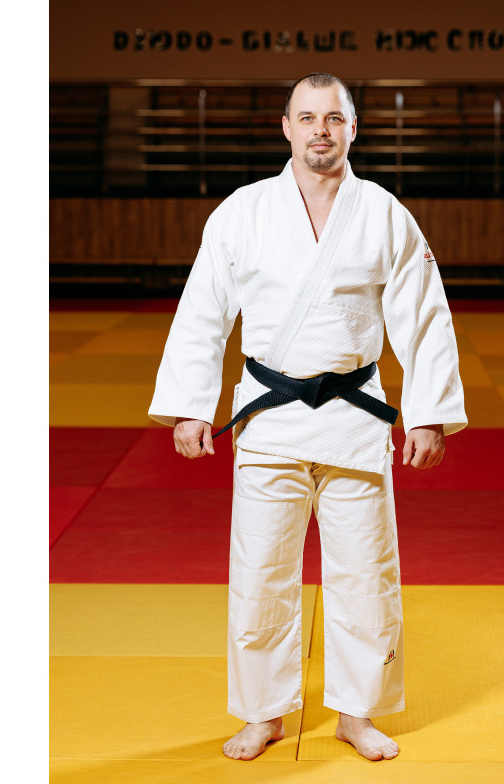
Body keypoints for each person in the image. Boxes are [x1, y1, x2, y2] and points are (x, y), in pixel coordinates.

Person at [149, 72, 467, 761]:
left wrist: (429, 414)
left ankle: (357, 713)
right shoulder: (243, 211)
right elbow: (203, 311)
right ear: (287, 127)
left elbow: (423, 317)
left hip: (354, 418)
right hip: (270, 420)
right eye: (307, 117)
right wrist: (190, 406)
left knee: (366, 574)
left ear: (353, 128)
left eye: (333, 118)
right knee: (260, 572)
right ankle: (262, 714)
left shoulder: (383, 213)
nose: (320, 130)